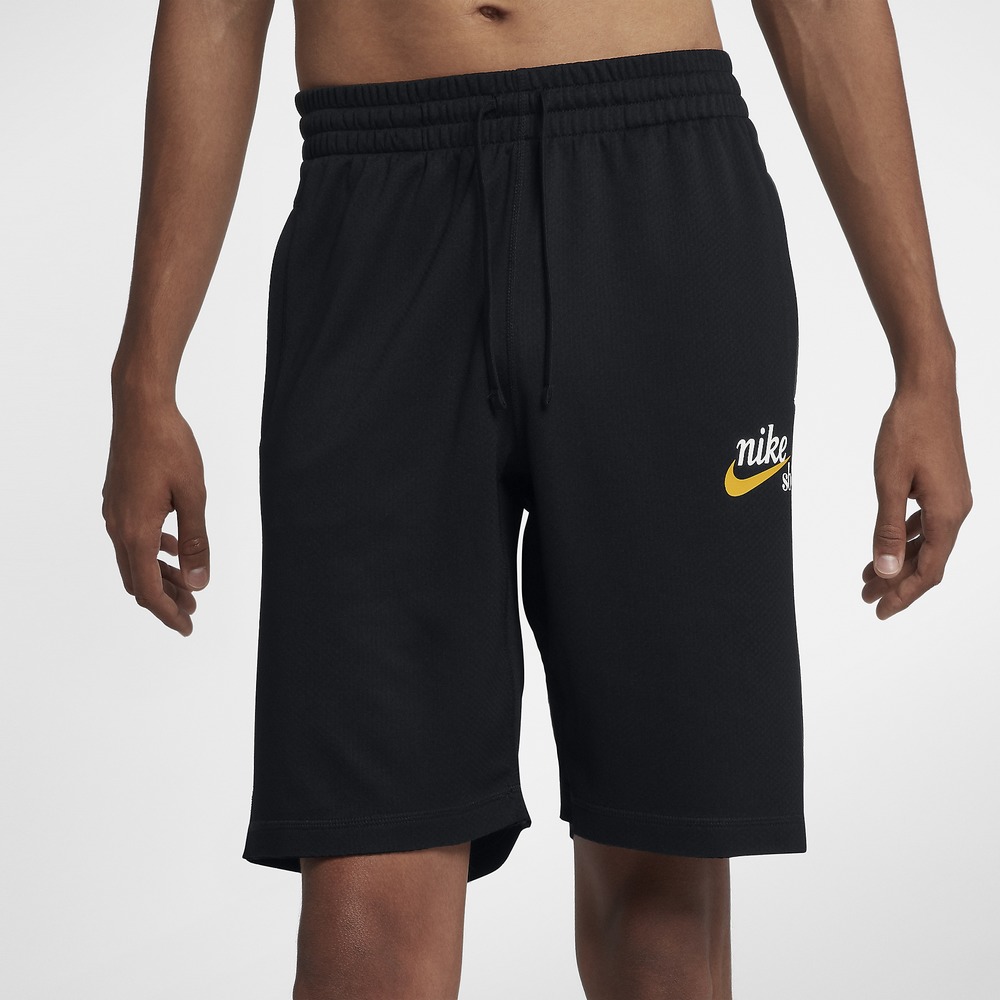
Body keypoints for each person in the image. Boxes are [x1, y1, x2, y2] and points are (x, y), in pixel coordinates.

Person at [102, 0, 973, 997]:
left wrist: (925, 360)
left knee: (663, 914)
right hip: (373, 210)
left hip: (658, 201)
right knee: (362, 924)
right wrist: (145, 377)